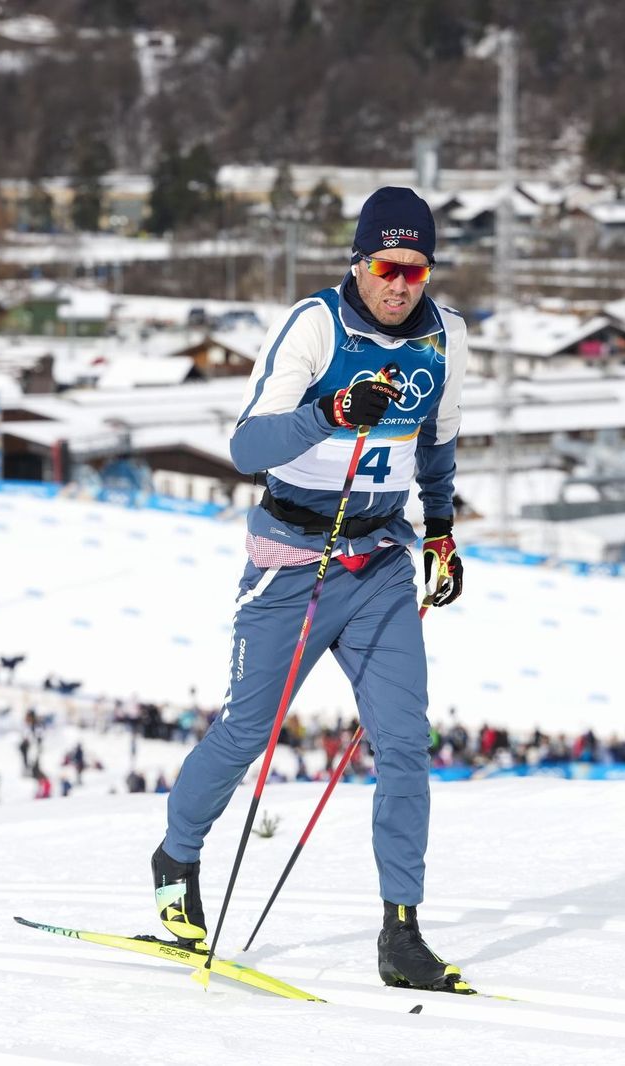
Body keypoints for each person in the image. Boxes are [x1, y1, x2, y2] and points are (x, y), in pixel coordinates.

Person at [152, 187, 469, 993]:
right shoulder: (316, 325)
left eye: (417, 269)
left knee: (405, 744)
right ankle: (175, 856)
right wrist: (327, 411)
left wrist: (440, 531)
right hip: (292, 560)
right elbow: (245, 446)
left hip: (380, 565)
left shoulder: (445, 339)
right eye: (388, 267)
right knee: (246, 732)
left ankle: (402, 931)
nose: (402, 285)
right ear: (358, 263)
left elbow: (437, 446)